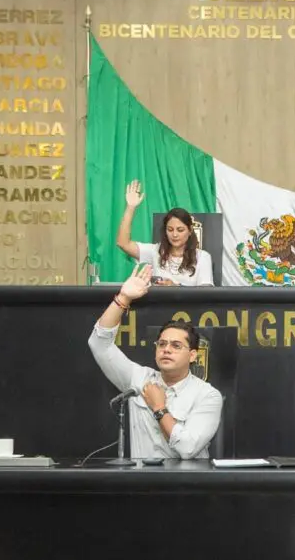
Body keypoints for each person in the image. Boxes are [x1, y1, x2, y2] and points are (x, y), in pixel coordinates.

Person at [88, 264, 223, 460]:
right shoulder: (138, 379)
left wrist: (159, 407)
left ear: (193, 355)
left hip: (184, 479)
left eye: (176, 346)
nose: (166, 349)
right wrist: (123, 298)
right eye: (162, 344)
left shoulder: (207, 395)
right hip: (140, 477)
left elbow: (188, 449)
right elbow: (99, 344)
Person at [114, 180, 215, 286]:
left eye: (180, 230)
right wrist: (130, 207)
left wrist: (175, 287)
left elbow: (206, 291)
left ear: (190, 230)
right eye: (170, 230)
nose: (174, 234)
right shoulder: (155, 252)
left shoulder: (202, 257)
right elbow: (123, 243)